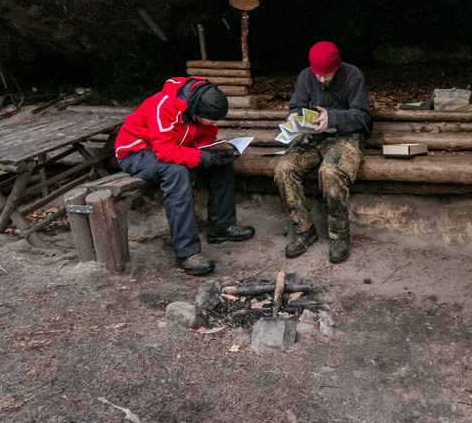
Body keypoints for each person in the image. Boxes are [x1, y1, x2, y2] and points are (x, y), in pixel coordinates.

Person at [114, 76, 254, 275]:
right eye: (211, 119)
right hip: (137, 153)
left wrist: (209, 153)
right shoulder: (164, 107)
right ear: (195, 111)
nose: (214, 123)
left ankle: (222, 226)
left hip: (172, 147)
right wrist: (200, 157)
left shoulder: (203, 104)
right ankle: (187, 252)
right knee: (176, 172)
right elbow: (164, 152)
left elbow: (207, 135)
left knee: (222, 162)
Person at [274, 41, 371, 263]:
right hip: (313, 137)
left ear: (337, 68)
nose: (321, 79)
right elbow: (296, 105)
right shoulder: (305, 76)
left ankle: (339, 236)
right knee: (284, 170)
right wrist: (294, 116)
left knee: (330, 172)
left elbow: (362, 116)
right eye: (317, 74)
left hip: (346, 136)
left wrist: (333, 117)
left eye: (326, 75)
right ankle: (304, 229)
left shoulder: (353, 75)